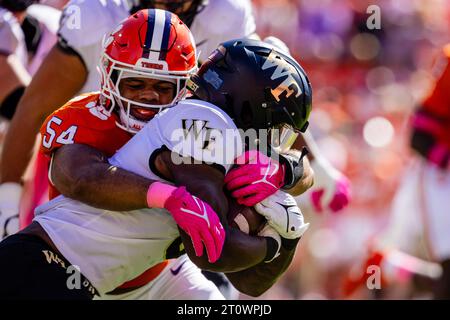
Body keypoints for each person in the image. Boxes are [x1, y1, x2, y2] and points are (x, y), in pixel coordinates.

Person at [0, 38, 312, 299]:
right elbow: (211, 250)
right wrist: (274, 242)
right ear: (254, 106)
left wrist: (287, 177)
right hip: (46, 264)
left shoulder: (221, 140)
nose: (271, 142)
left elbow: (251, 284)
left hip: (115, 277)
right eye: (277, 128)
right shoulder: (204, 122)